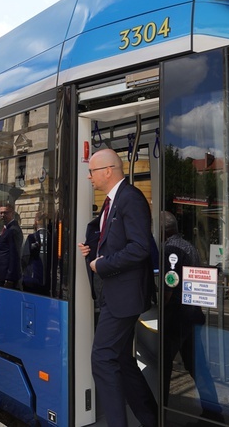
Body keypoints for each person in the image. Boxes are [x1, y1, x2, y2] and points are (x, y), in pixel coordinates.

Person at [78, 149, 158, 427]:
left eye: (92, 171)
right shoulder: (112, 202)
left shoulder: (130, 198)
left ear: (108, 171)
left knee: (102, 358)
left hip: (123, 296)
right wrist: (92, 250)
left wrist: (103, 264)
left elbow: (140, 248)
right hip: (114, 294)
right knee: (122, 361)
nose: (89, 177)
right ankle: (150, 419)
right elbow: (114, 241)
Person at [160, 211, 224, 422]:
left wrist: (160, 305)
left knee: (162, 368)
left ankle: (159, 414)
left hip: (176, 318)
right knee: (198, 367)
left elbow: (170, 284)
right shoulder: (189, 246)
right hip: (192, 315)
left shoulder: (171, 249)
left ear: (163, 231)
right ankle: (213, 412)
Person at [0, 203, 22, 288]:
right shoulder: (6, 228)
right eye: (1, 213)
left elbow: (15, 255)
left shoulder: (13, 230)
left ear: (12, 213)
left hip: (7, 276)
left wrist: (9, 278)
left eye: (5, 213)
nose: (3, 215)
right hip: (2, 273)